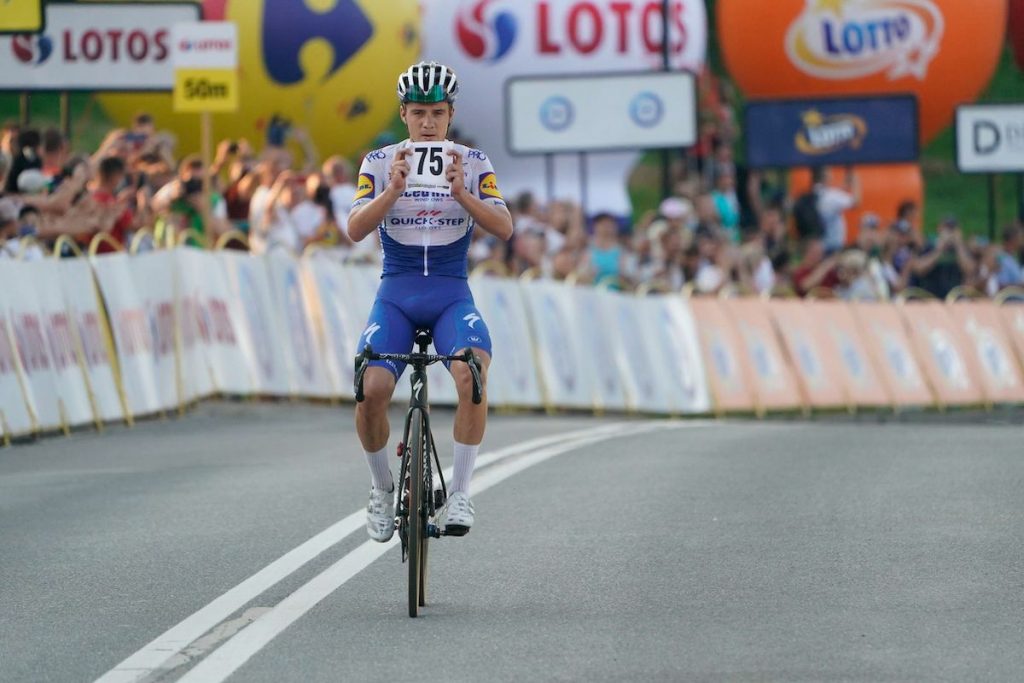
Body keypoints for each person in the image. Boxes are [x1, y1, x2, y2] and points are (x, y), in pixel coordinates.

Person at [347, 61, 513, 542]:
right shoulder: (379, 162)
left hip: (449, 294)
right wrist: (392, 191)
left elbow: (504, 228)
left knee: (472, 373)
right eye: (418, 113)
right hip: (396, 294)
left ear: (450, 114)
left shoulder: (473, 161)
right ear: (403, 113)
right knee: (370, 390)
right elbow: (356, 229)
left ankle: (460, 491)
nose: (427, 123)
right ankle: (381, 488)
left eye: (436, 114)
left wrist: (463, 194)